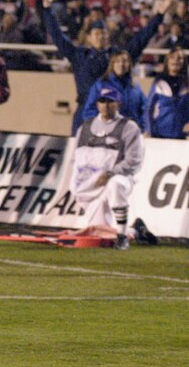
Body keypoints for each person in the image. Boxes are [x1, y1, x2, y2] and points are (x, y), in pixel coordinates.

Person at [41, 0, 173, 134]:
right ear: (89, 37)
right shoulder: (79, 55)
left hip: (111, 114)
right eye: (96, 33)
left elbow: (141, 40)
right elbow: (58, 38)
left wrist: (159, 15)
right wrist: (47, 10)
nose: (101, 37)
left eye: (104, 33)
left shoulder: (116, 55)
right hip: (84, 111)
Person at [70, 85, 145, 250]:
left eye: (110, 102)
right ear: (97, 104)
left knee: (115, 184)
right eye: (102, 101)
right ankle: (137, 230)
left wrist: (112, 173)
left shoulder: (129, 127)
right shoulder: (85, 127)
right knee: (100, 232)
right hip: (92, 186)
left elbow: (134, 160)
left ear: (118, 104)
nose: (105, 105)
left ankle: (123, 237)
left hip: (121, 178)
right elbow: (76, 159)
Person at [80, 50, 147, 131]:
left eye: (125, 61)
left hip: (130, 132)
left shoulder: (135, 86)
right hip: (107, 133)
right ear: (112, 64)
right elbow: (89, 111)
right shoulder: (101, 85)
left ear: (129, 64)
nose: (121, 65)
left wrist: (140, 127)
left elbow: (145, 109)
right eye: (117, 61)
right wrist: (101, 127)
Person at [144, 47, 189, 139]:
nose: (176, 60)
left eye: (179, 58)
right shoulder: (159, 82)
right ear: (167, 61)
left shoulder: (187, 84)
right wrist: (149, 130)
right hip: (160, 133)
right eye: (172, 57)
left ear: (184, 62)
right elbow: (149, 107)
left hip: (181, 134)